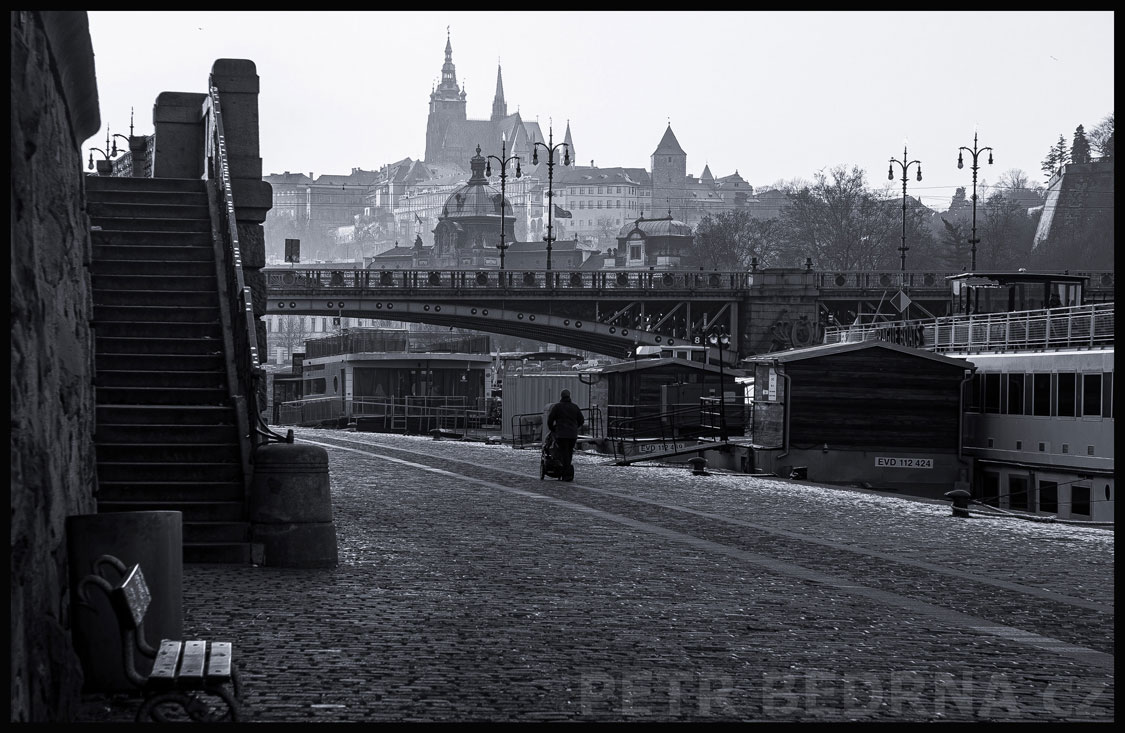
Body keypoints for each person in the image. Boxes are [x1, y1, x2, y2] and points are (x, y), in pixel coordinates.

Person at [547, 389, 584, 481]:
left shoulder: (557, 407)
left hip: (561, 434)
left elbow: (550, 420)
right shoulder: (575, 407)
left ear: (561, 396)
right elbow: (581, 420)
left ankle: (564, 471)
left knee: (562, 451)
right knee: (569, 451)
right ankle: (567, 471)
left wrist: (553, 429)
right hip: (572, 434)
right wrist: (575, 427)